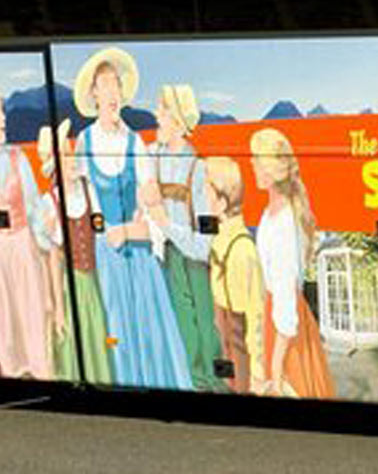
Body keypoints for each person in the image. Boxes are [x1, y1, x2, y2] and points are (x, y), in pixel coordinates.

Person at [73, 47, 192, 390]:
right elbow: (82, 207)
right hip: (107, 260)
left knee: (150, 331)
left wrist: (127, 229)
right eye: (104, 84)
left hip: (139, 258)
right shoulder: (85, 141)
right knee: (117, 333)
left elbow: (155, 214)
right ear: (94, 94)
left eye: (116, 84)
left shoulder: (136, 144)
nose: (112, 91)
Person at [0, 84, 55, 379]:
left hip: (23, 246)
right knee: (5, 326)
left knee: (32, 316)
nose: (3, 118)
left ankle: (40, 371)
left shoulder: (19, 158)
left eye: (2, 109)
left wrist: (49, 242)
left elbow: (33, 210)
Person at [147, 84, 225, 391]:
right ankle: (193, 382)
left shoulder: (197, 168)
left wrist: (167, 224)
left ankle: (210, 382)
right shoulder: (153, 156)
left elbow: (204, 244)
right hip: (165, 256)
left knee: (203, 325)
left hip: (191, 261)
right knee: (179, 325)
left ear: (179, 121)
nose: (157, 116)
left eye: (163, 111)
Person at [249, 127, 334, 398]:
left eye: (257, 160)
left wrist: (275, 369)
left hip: (286, 332)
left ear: (270, 171)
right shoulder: (272, 212)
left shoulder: (284, 224)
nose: (251, 163)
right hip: (278, 317)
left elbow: (285, 297)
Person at [38, 122, 113, 384]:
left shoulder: (88, 189)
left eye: (72, 154)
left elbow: (100, 231)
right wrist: (58, 307)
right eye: (66, 156)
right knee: (74, 339)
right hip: (71, 286)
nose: (72, 161)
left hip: (93, 279)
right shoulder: (51, 203)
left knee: (98, 336)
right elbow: (54, 257)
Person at [204, 154, 265, 394]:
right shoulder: (219, 240)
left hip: (241, 373)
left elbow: (254, 318)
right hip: (228, 365)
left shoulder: (241, 249)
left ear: (221, 203)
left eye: (204, 194)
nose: (199, 200)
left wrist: (258, 375)